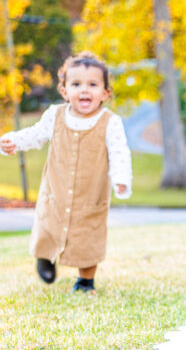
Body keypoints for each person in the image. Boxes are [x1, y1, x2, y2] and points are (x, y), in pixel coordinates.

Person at [0, 52, 132, 294]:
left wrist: (121, 178)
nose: (84, 90)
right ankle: (45, 257)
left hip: (91, 197)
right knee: (48, 225)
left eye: (93, 85)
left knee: (89, 237)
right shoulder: (55, 115)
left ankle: (85, 280)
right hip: (56, 192)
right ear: (64, 90)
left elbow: (119, 152)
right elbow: (35, 134)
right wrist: (14, 142)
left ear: (105, 93)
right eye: (76, 84)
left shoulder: (110, 122)